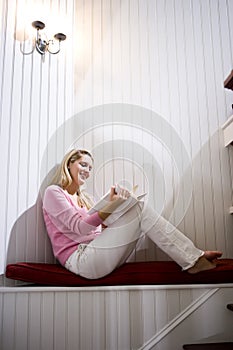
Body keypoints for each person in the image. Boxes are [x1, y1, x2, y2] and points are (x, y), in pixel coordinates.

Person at [42, 148, 222, 279]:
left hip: (96, 253)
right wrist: (112, 207)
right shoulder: (54, 192)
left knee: (136, 206)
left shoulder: (85, 199)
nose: (87, 171)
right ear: (69, 164)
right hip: (80, 260)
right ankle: (193, 259)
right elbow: (80, 228)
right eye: (83, 164)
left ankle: (193, 257)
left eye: (90, 168)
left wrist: (115, 205)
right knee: (139, 209)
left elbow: (97, 230)